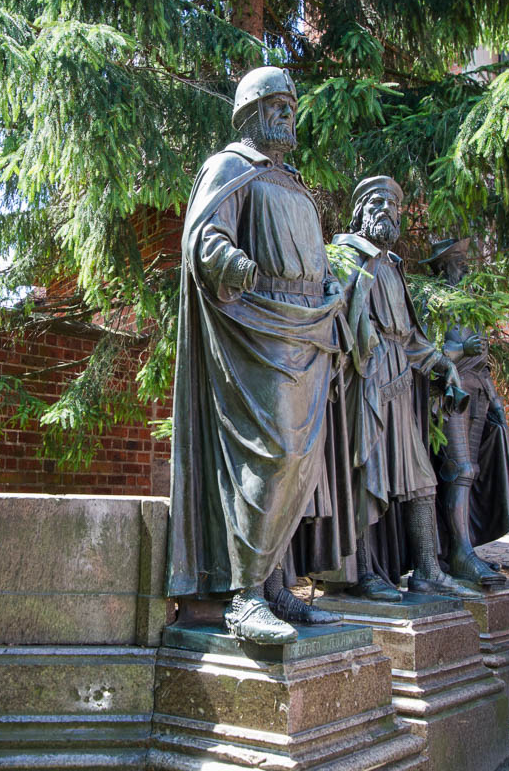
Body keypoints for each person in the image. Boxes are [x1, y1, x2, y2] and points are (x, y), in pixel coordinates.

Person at [167, 67, 355, 644]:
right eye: (274, 105)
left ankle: (274, 586)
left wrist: (328, 290)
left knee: (301, 461)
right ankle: (242, 596)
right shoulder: (229, 167)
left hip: (306, 331)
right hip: (255, 330)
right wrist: (234, 264)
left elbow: (313, 255)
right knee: (271, 453)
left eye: (291, 107)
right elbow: (203, 238)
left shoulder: (294, 182)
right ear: (248, 112)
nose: (285, 115)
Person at [332, 177, 478, 600]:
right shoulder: (346, 259)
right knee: (366, 474)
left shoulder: (393, 266)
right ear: (359, 212)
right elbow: (333, 318)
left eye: (393, 205)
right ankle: (363, 573)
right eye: (375, 202)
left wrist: (439, 363)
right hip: (365, 381)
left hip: (400, 381)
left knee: (420, 479)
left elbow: (411, 337)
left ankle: (429, 570)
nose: (385, 210)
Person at [422, 238, 509, 587]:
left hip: (477, 390)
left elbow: (485, 362)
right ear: (443, 265)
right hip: (449, 394)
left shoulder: (471, 306)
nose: (465, 266)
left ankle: (461, 549)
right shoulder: (432, 303)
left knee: (472, 470)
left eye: (464, 260)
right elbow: (426, 352)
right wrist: (460, 348)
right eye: (459, 261)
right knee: (458, 468)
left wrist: (495, 400)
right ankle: (459, 553)